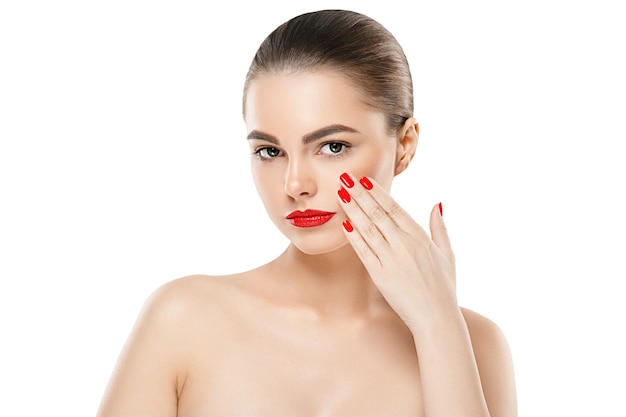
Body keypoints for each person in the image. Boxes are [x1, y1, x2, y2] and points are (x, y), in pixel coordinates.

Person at [96, 9, 517, 417]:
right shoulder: (183, 320)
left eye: (332, 146)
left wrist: (437, 325)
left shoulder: (475, 345)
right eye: (270, 151)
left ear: (404, 145)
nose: (295, 183)